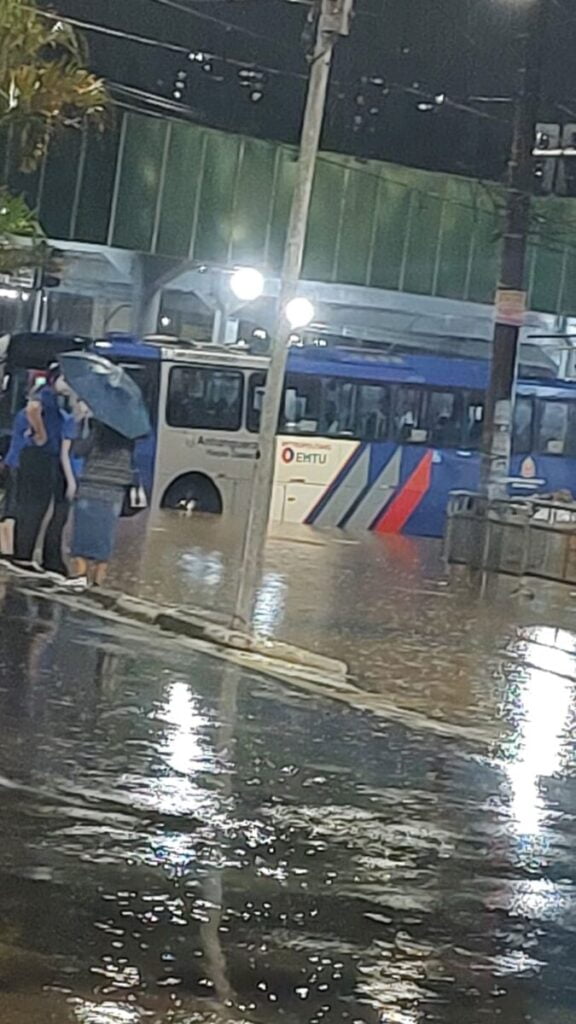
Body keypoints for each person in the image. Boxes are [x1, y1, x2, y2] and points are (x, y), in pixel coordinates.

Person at [11, 367, 71, 574]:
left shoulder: (58, 402)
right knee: (33, 507)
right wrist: (41, 435)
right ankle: (22, 556)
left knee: (37, 507)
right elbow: (32, 409)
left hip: (45, 459)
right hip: (38, 458)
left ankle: (24, 554)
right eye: (65, 379)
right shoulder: (45, 394)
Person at [65, 420, 135, 589]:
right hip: (114, 496)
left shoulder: (96, 436)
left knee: (82, 539)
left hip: (89, 491)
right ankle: (98, 583)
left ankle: (80, 578)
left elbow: (77, 451)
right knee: (104, 539)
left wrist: (82, 427)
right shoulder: (128, 441)